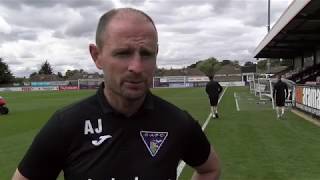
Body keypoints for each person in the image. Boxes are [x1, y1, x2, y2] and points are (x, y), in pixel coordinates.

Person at [12, 8, 221, 180]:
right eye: (123, 53)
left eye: (146, 54)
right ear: (97, 56)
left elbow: (210, 169)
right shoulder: (66, 125)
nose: (137, 67)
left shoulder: (177, 122)